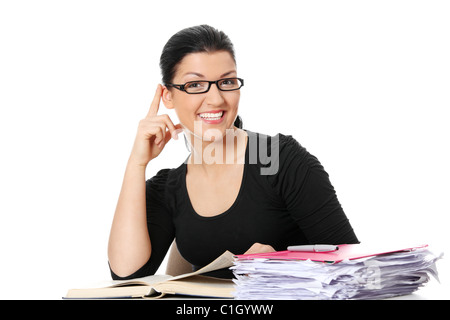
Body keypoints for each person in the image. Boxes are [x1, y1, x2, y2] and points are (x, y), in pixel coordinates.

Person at [107, 25, 359, 280]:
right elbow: (125, 275)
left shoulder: (280, 161)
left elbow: (353, 270)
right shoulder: (169, 189)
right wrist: (136, 163)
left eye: (226, 82)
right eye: (195, 84)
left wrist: (283, 266)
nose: (216, 99)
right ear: (167, 96)